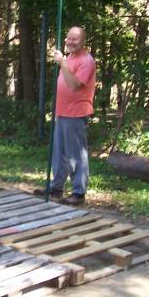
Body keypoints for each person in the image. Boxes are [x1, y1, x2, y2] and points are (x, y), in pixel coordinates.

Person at [35, 26, 96, 206]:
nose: (70, 42)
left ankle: (78, 193)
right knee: (59, 153)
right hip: (62, 112)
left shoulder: (86, 61)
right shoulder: (69, 58)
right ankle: (56, 188)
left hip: (76, 113)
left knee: (76, 154)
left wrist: (62, 62)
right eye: (68, 38)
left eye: (75, 39)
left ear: (83, 41)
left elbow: (74, 85)